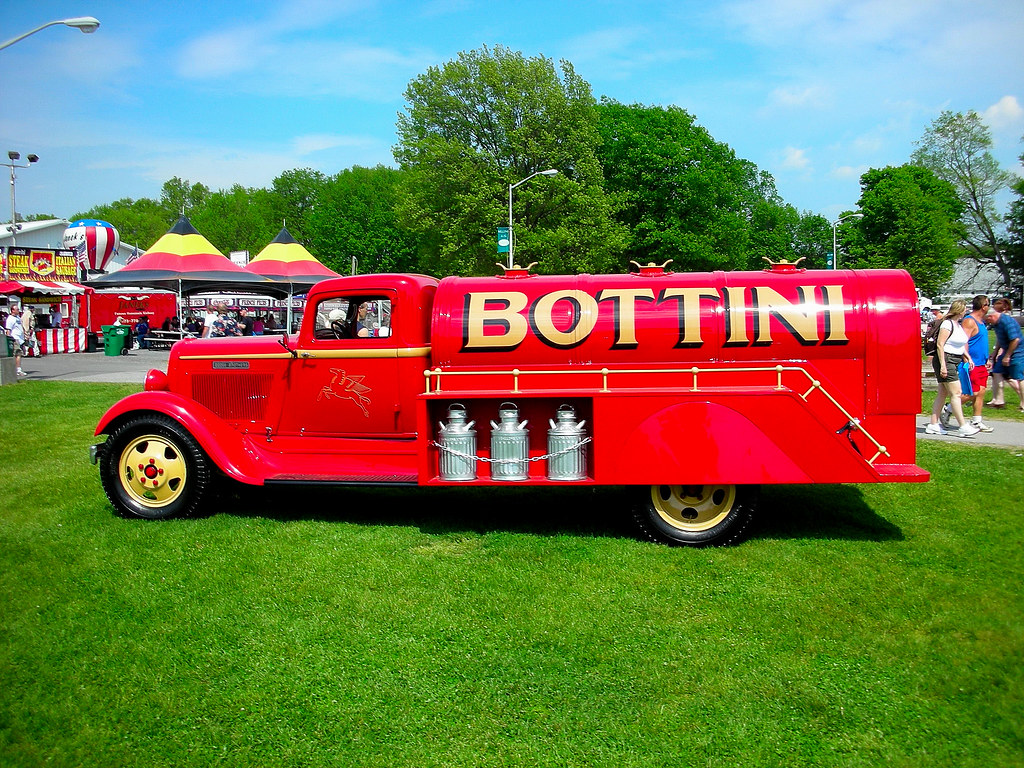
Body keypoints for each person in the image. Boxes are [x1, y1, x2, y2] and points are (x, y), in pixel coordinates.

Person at [926, 300, 979, 437]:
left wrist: (967, 357)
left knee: (943, 393)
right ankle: (963, 426)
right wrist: (943, 365)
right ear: (959, 309)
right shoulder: (947, 324)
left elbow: (960, 346)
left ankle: (933, 424)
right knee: (956, 393)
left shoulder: (958, 325)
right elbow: (940, 345)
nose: (966, 311)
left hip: (954, 360)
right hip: (946, 360)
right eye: (965, 308)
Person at [940, 295, 993, 432]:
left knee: (981, 392)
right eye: (988, 304)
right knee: (972, 392)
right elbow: (964, 342)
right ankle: (948, 408)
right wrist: (966, 359)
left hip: (981, 362)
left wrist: (987, 358)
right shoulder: (970, 321)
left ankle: (976, 420)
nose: (989, 307)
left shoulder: (981, 322)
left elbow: (981, 342)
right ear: (983, 306)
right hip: (972, 363)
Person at [987, 298, 1024, 411]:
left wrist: (1007, 356)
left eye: (987, 320)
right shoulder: (997, 323)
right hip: (1006, 351)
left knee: (1019, 378)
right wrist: (995, 352)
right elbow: (1000, 338)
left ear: (992, 316)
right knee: (996, 372)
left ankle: (1023, 404)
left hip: (1017, 353)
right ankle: (999, 400)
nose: (988, 323)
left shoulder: (1007, 321)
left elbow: (1015, 340)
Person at [5, 305, 26, 377]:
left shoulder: (17, 318)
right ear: (12, 310)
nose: (18, 311)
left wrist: (25, 334)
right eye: (17, 309)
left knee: (19, 354)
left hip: (20, 339)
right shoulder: (10, 319)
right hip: (15, 338)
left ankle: (16, 369)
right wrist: (9, 339)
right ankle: (18, 370)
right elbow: (8, 330)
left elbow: (20, 327)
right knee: (17, 354)